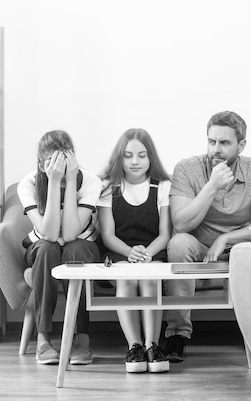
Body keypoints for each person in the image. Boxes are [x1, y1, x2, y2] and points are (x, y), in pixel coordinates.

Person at [163, 110, 251, 362]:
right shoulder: (187, 168)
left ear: (241, 145)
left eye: (224, 143)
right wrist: (211, 185)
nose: (216, 149)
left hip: (236, 247)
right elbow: (181, 223)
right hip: (197, 245)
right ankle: (177, 334)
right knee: (179, 243)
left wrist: (226, 238)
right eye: (211, 141)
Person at [17, 130, 101, 365]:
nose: (61, 170)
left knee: (75, 249)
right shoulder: (29, 183)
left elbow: (72, 233)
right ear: (43, 165)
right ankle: (43, 338)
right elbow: (50, 234)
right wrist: (53, 181)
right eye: (53, 164)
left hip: (82, 245)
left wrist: (72, 180)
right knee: (47, 248)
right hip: (42, 246)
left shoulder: (91, 180)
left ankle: (82, 337)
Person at [97, 128, 172, 373]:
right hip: (120, 251)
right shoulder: (109, 187)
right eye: (128, 155)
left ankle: (153, 346)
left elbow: (165, 234)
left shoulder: (162, 186)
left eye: (141, 155)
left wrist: (147, 254)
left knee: (150, 279)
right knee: (126, 280)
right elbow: (108, 235)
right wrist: (130, 253)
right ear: (120, 158)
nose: (135, 161)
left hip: (153, 251)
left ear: (151, 157)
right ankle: (135, 347)